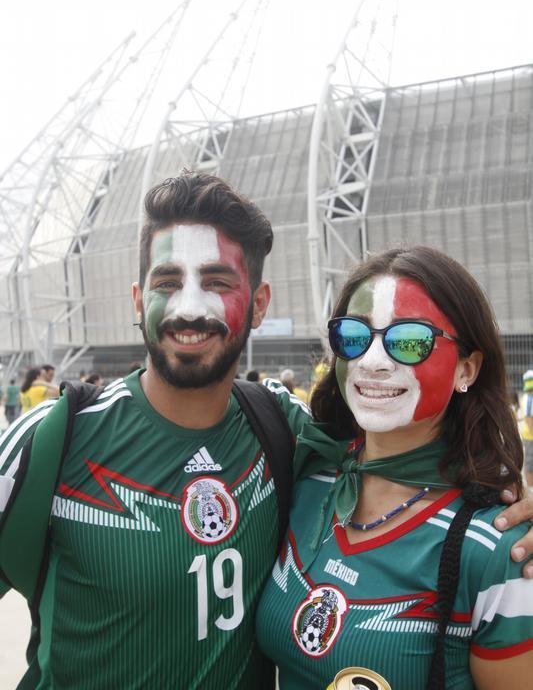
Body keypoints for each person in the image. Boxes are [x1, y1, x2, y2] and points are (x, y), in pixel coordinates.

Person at [1, 178, 532, 689]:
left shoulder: (284, 429)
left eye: (217, 283)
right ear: (138, 300)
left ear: (258, 303)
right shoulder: (53, 439)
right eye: (168, 283)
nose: (190, 309)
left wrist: (512, 497)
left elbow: (406, 459)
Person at [257, 246, 533, 689]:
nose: (373, 361)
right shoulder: (308, 477)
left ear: (467, 367)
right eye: (353, 336)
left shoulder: (497, 549)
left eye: (409, 341)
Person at [520, 369, 533, 488]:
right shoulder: (529, 398)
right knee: (530, 463)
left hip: (530, 435)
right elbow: (529, 419)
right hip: (530, 436)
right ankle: (530, 488)